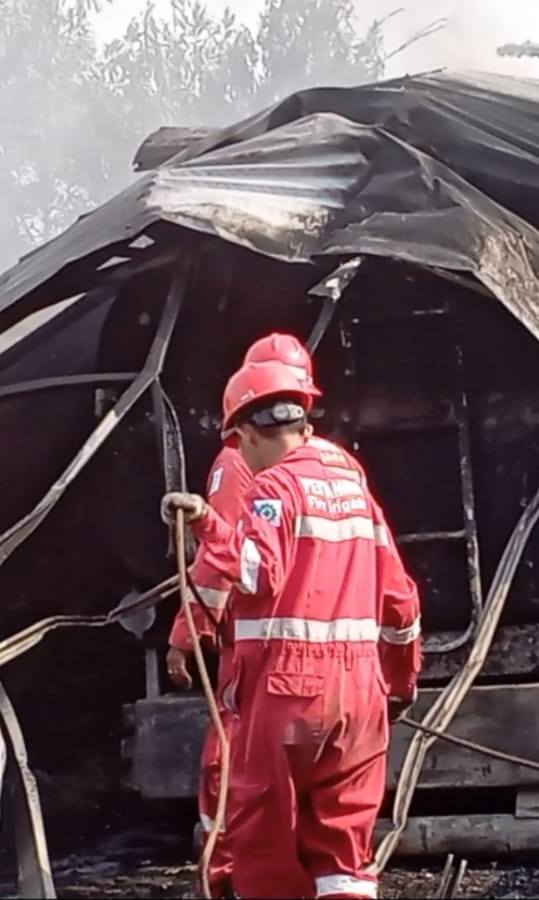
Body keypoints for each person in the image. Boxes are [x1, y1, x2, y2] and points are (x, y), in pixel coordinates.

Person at [164, 358, 422, 900]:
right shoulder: (358, 495)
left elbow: (259, 572)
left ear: (249, 433)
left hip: (290, 699)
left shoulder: (272, 488)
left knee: (265, 841)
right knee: (345, 854)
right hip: (360, 703)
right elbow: (401, 604)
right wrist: (399, 685)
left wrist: (210, 525)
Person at [164, 333, 328, 896]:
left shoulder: (238, 461)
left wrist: (186, 635)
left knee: (230, 761)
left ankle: (227, 875)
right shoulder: (330, 468)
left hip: (260, 648)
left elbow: (219, 559)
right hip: (317, 657)